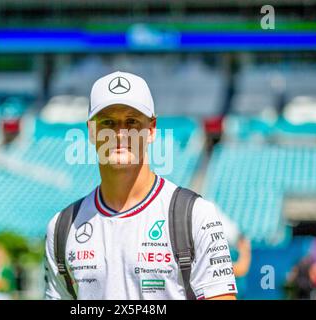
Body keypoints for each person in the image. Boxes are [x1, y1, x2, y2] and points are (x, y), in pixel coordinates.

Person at [44, 71, 237, 300]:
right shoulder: (62, 227)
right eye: (108, 122)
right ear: (91, 132)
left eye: (132, 121)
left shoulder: (196, 215)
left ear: (152, 129)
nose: (120, 133)